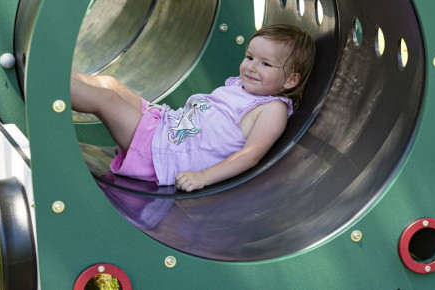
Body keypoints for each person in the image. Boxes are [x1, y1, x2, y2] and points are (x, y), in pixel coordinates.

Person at [71, 24, 315, 192]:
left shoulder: (272, 109)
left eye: (265, 63)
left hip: (165, 154)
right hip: (167, 127)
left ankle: (42, 84)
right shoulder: (240, 86)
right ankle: (47, 71)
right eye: (250, 57)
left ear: (291, 80)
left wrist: (203, 177)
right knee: (110, 84)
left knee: (106, 101)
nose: (251, 67)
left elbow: (251, 155)